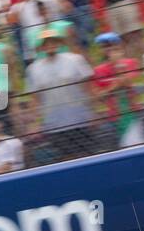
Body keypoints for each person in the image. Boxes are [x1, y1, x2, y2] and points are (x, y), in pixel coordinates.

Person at [25, 29, 98, 163]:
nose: (50, 45)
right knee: (66, 160)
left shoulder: (75, 60)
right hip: (54, 123)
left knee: (88, 156)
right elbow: (35, 99)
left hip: (80, 118)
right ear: (41, 47)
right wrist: (35, 123)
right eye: (46, 43)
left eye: (53, 41)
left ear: (59, 43)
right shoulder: (33, 69)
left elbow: (88, 88)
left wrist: (93, 112)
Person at [91, 32, 144, 148]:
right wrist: (115, 85)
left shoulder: (131, 63)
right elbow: (99, 96)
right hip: (115, 116)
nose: (109, 49)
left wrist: (118, 68)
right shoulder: (99, 70)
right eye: (105, 47)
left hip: (133, 113)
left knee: (139, 146)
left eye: (112, 46)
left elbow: (128, 82)